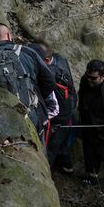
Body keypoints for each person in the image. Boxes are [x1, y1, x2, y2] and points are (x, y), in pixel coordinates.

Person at [0, 24, 56, 131]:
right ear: (9, 36)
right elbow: (50, 81)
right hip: (31, 116)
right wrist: (34, 95)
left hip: (1, 120)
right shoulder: (27, 52)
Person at [39, 43, 77, 174]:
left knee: (51, 146)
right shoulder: (61, 60)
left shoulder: (48, 74)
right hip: (67, 110)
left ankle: (45, 174)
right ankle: (67, 167)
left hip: (59, 116)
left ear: (46, 60)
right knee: (61, 143)